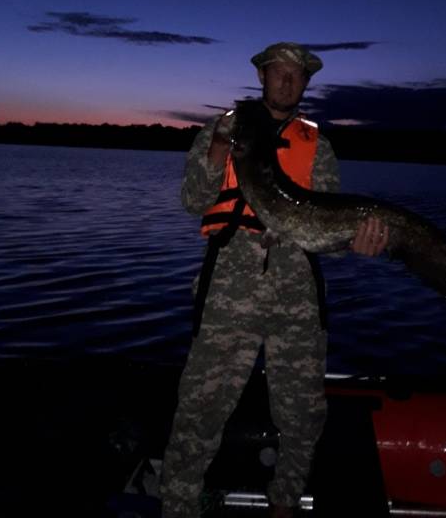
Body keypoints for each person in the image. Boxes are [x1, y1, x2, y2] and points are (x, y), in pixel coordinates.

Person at [160, 42, 388, 518]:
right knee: (199, 409)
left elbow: (325, 226)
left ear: (306, 84)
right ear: (262, 76)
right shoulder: (224, 128)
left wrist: (356, 243)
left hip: (297, 299)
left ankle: (284, 504)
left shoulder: (317, 144)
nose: (287, 82)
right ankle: (179, 507)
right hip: (227, 292)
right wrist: (217, 152)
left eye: (297, 76)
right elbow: (192, 201)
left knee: (304, 415)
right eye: (279, 73)